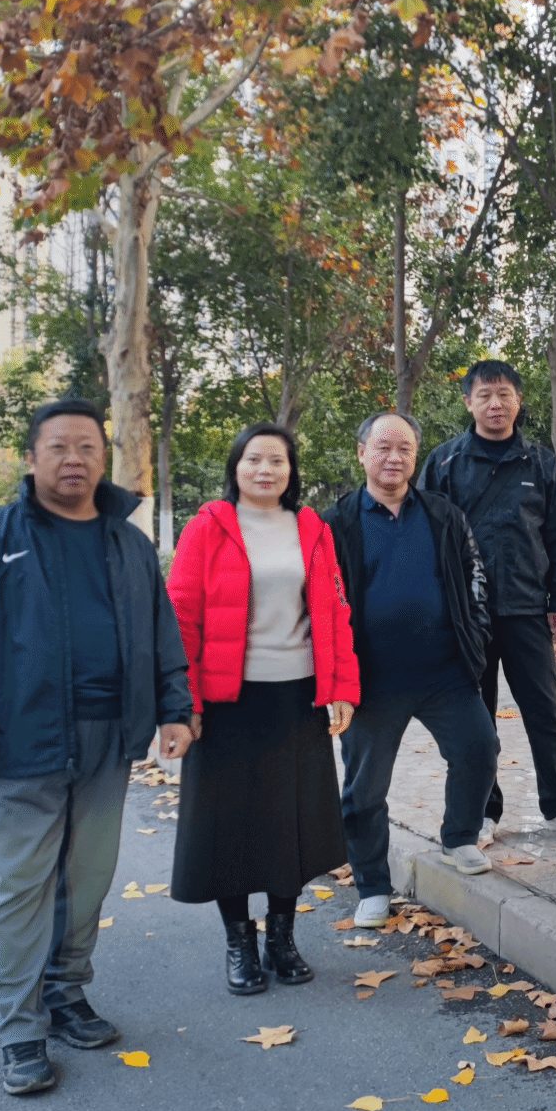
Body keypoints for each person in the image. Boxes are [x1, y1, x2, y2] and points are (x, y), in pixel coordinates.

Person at [0, 399, 194, 1096]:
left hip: (110, 741)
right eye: (59, 448)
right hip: (20, 740)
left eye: (87, 448)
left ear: (104, 458)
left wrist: (175, 710)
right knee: (21, 887)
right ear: (31, 458)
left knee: (88, 877)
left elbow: (161, 633)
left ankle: (66, 993)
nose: (74, 459)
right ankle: (20, 1030)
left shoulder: (128, 542)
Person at [166, 423, 357, 995]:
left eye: (277, 460)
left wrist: (342, 686)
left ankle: (281, 937)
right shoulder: (207, 527)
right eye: (254, 459)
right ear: (236, 466)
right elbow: (181, 618)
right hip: (226, 701)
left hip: (295, 697)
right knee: (227, 826)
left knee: (287, 823)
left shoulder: (312, 528)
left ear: (291, 471)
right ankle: (239, 942)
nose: (265, 469)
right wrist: (183, 701)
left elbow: (335, 613)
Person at [328, 412, 499, 925]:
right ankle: (372, 886)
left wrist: (476, 636)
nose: (394, 458)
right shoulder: (335, 523)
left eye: (404, 448)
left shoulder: (443, 514)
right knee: (365, 788)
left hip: (444, 671)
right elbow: (321, 601)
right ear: (362, 453)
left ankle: (460, 837)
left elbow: (475, 577)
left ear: (416, 456)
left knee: (479, 749)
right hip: (371, 680)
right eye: (383, 447)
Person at [419, 360, 556, 846]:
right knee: (477, 716)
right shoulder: (444, 463)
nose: (495, 404)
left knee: (545, 710)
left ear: (518, 401)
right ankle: (483, 812)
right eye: (485, 395)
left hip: (527, 608)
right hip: (466, 615)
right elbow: (426, 538)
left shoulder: (542, 464)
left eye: (504, 394)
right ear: (468, 402)